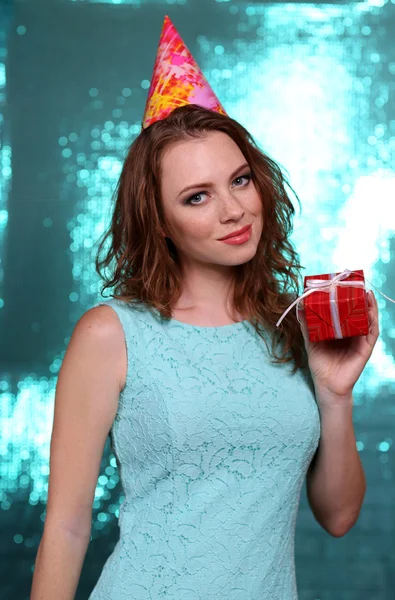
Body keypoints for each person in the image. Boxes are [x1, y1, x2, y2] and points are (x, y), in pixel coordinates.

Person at [31, 16, 379, 600]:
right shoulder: (111, 334)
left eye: (239, 181)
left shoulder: (292, 329)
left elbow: (338, 517)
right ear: (161, 223)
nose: (233, 210)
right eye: (197, 197)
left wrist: (335, 395)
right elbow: (66, 527)